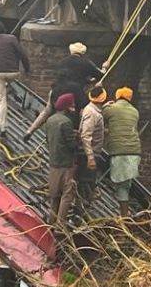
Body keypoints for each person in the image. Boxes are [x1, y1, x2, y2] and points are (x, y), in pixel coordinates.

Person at [23, 42, 103, 140]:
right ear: (83, 53)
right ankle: (79, 135)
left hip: (56, 89)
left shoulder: (62, 62)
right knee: (82, 112)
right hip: (75, 91)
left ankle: (30, 130)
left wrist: (86, 80)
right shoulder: (85, 62)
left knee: (47, 111)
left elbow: (66, 75)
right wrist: (104, 68)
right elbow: (100, 75)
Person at [0, 20, 30, 138]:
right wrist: (27, 69)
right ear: (4, 29)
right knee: (5, 89)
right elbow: (23, 55)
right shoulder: (12, 38)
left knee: (2, 99)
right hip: (14, 73)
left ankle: (3, 128)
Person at [103, 86, 142, 217]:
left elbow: (98, 116)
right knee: (126, 184)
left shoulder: (111, 109)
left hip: (120, 152)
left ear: (117, 96)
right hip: (135, 151)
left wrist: (105, 105)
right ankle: (125, 214)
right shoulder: (135, 111)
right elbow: (122, 126)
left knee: (121, 186)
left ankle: (124, 217)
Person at [45, 92, 79, 227]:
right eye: (72, 105)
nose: (74, 107)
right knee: (67, 194)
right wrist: (78, 139)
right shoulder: (66, 122)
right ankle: (60, 226)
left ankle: (51, 223)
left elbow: (49, 139)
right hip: (66, 164)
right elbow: (71, 145)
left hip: (53, 162)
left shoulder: (50, 120)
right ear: (66, 107)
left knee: (54, 195)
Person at [77, 85, 107, 209]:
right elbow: (85, 135)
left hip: (91, 153)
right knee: (86, 185)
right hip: (89, 154)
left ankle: (82, 209)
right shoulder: (92, 113)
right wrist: (90, 157)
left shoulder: (91, 110)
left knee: (88, 184)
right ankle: (80, 212)